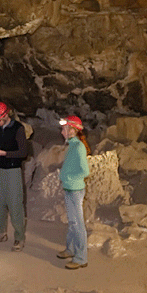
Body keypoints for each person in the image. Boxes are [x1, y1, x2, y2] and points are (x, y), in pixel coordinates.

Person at [0, 102, 30, 251]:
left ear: (6, 115)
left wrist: (4, 153)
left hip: (13, 170)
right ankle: (0, 232)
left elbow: (23, 153)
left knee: (15, 204)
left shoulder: (18, 129)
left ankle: (19, 237)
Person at [57, 115, 90, 269]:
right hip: (69, 189)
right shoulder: (72, 145)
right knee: (72, 222)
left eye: (64, 128)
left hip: (76, 190)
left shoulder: (79, 147)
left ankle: (81, 258)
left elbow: (85, 171)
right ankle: (70, 249)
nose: (62, 131)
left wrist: (69, 176)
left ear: (71, 130)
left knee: (78, 224)